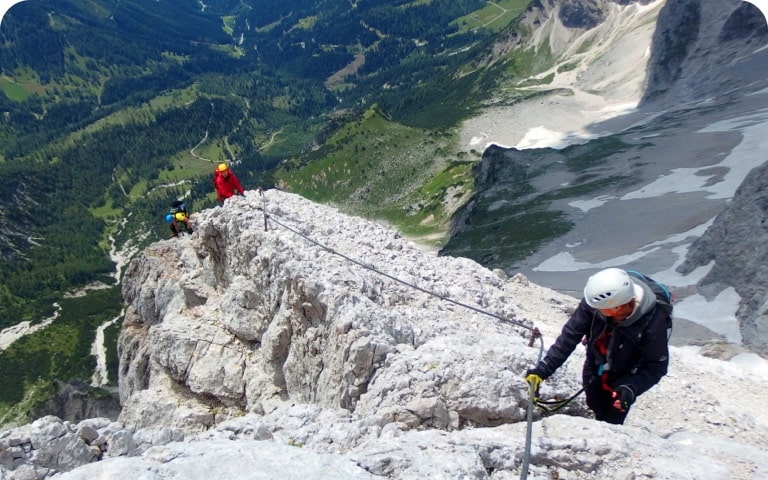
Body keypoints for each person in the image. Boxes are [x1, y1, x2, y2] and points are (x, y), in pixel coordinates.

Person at [525, 267, 669, 424]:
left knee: (613, 418)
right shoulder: (594, 303)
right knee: (594, 402)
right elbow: (569, 337)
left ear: (617, 307)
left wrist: (631, 388)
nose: (593, 309)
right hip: (595, 363)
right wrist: (542, 371)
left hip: (626, 374)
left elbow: (656, 365)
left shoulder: (653, 321)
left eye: (599, 308)